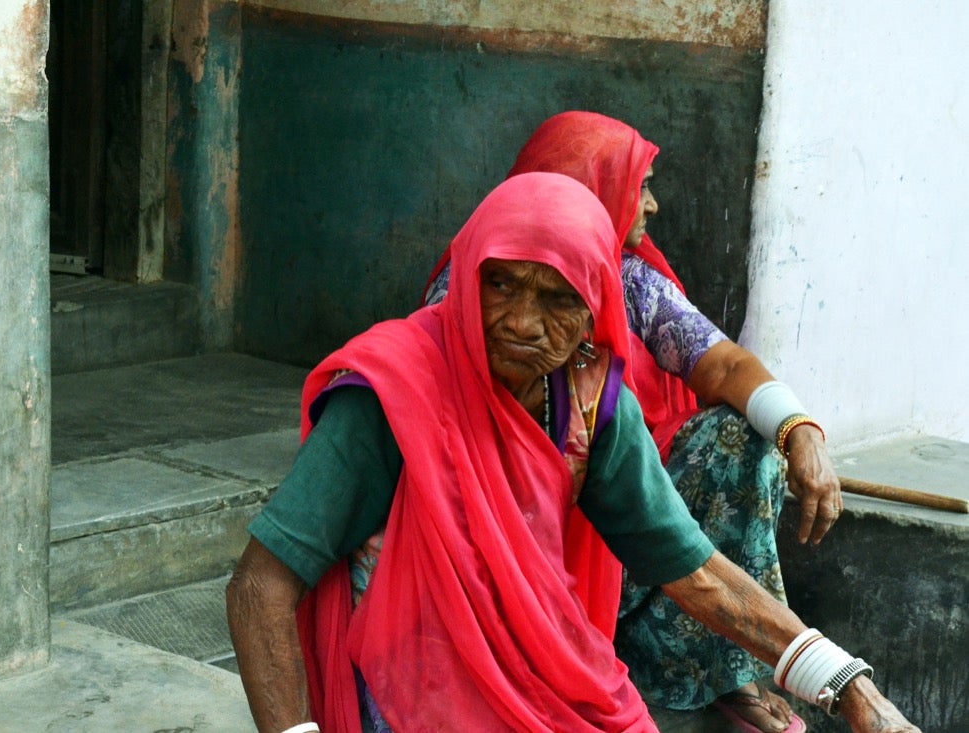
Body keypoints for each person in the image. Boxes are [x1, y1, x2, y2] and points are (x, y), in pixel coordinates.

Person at [227, 172, 918, 733]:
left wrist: (845, 680)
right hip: (410, 681)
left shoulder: (588, 402)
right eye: (500, 285)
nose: (523, 322)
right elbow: (260, 585)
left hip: (538, 669)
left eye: (558, 299)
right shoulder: (395, 392)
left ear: (597, 310)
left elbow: (694, 570)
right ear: (468, 276)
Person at [423, 111, 843, 732]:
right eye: (637, 184)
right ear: (583, 186)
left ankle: (719, 669)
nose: (652, 204)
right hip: (505, 531)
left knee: (740, 440)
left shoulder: (627, 279)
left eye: (560, 302)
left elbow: (721, 365)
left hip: (622, 526)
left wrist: (799, 428)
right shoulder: (471, 285)